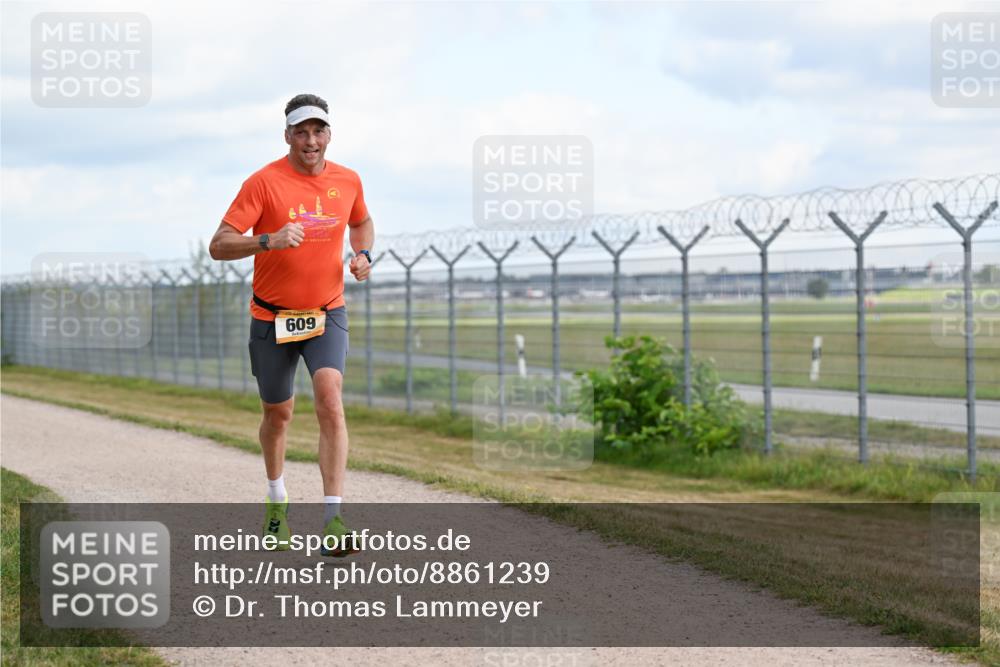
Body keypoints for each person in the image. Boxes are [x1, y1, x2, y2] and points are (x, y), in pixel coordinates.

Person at [209, 93, 374, 557]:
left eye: (318, 130)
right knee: (277, 414)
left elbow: (362, 224)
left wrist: (363, 256)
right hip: (271, 317)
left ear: (329, 134)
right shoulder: (263, 183)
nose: (310, 140)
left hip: (327, 311)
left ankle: (334, 518)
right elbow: (218, 245)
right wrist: (267, 240)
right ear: (287, 136)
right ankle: (277, 501)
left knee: (330, 399)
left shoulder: (349, 179)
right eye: (301, 131)